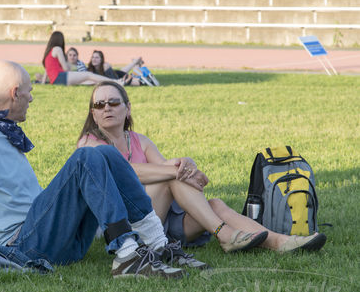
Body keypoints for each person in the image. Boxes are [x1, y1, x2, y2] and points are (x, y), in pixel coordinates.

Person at [0, 60, 210, 279]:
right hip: (22, 247)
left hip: (55, 240)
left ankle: (158, 245)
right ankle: (126, 255)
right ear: (15, 93)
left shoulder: (4, 135)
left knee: (105, 153)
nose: (32, 98)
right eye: (29, 92)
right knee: (87, 157)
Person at [77, 81, 327, 254]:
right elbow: (130, 172)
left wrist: (188, 166)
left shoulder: (139, 140)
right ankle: (224, 234)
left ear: (127, 108)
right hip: (128, 228)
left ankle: (281, 242)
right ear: (93, 113)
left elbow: (169, 169)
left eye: (113, 102)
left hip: (159, 220)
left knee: (215, 204)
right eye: (99, 105)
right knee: (169, 179)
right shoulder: (88, 145)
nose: (106, 107)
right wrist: (177, 171)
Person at [41, 31, 129, 86]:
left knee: (88, 80)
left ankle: (113, 83)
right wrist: (71, 67)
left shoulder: (48, 52)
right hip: (61, 77)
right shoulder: (58, 49)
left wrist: (43, 82)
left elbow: (47, 69)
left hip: (55, 80)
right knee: (88, 75)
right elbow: (65, 68)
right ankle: (116, 82)